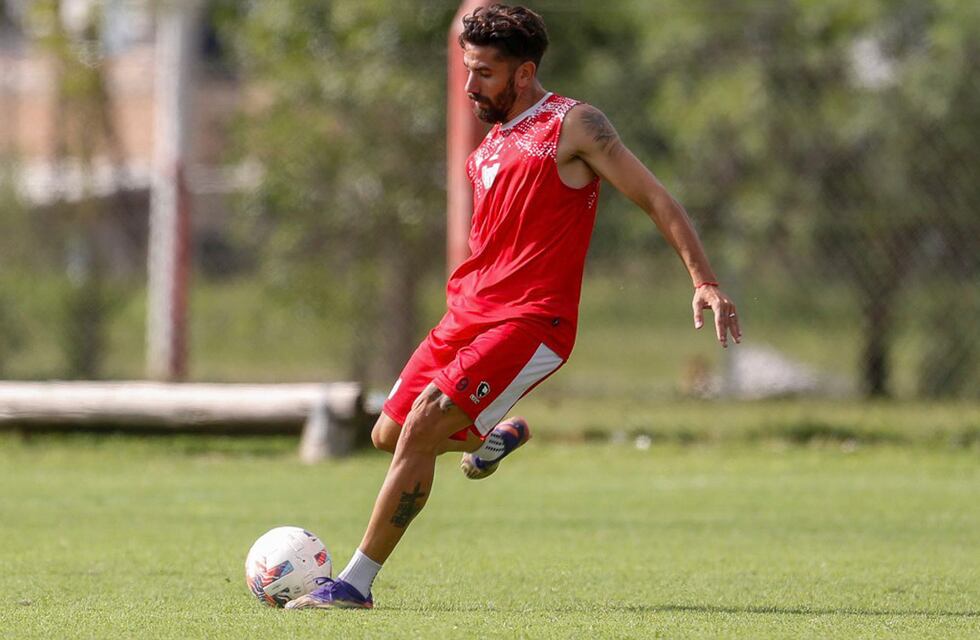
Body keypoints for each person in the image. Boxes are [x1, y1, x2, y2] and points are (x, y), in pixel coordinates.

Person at [286, 3, 741, 610]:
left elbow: (656, 197)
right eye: (467, 71)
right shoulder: (488, 148)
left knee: (422, 424)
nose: (470, 86)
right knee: (388, 433)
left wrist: (703, 279)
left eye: (484, 73)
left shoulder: (574, 125)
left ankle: (354, 584)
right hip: (464, 315)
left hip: (532, 320)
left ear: (524, 73)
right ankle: (488, 437)